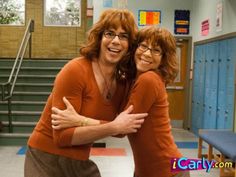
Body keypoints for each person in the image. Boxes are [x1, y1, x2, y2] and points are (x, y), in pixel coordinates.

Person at [51, 26, 190, 177]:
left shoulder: (149, 79)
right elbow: (117, 122)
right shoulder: (135, 80)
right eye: (143, 46)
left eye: (156, 50)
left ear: (163, 58)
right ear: (135, 48)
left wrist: (79, 120)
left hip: (167, 170)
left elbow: (122, 128)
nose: (147, 53)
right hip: (148, 170)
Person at [24, 9, 148, 177]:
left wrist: (81, 121)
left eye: (123, 36)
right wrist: (112, 125)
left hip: (80, 161)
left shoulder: (122, 82)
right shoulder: (75, 70)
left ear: (130, 45)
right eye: (110, 33)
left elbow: (122, 129)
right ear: (99, 37)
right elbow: (62, 137)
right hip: (46, 158)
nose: (116, 41)